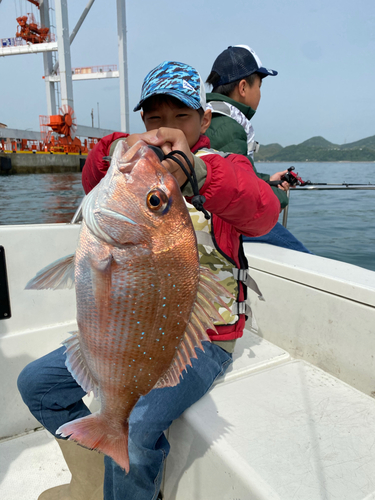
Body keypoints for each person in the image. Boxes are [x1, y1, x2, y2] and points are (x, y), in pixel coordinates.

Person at [17, 60, 281, 500]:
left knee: (137, 426)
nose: (166, 129)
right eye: (154, 119)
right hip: (129, 336)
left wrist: (197, 171)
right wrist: (123, 148)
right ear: (141, 122)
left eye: (181, 117)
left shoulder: (222, 168)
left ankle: (129, 487)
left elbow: (264, 210)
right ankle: (92, 477)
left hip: (203, 342)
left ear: (205, 119)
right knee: (36, 384)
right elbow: (91, 178)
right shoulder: (131, 168)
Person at [206, 44, 311, 253]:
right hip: (226, 224)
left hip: (217, 217)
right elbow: (242, 201)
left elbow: (233, 177)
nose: (260, 94)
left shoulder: (210, 119)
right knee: (301, 255)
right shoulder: (230, 128)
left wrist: (268, 182)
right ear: (243, 88)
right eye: (259, 86)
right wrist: (278, 196)